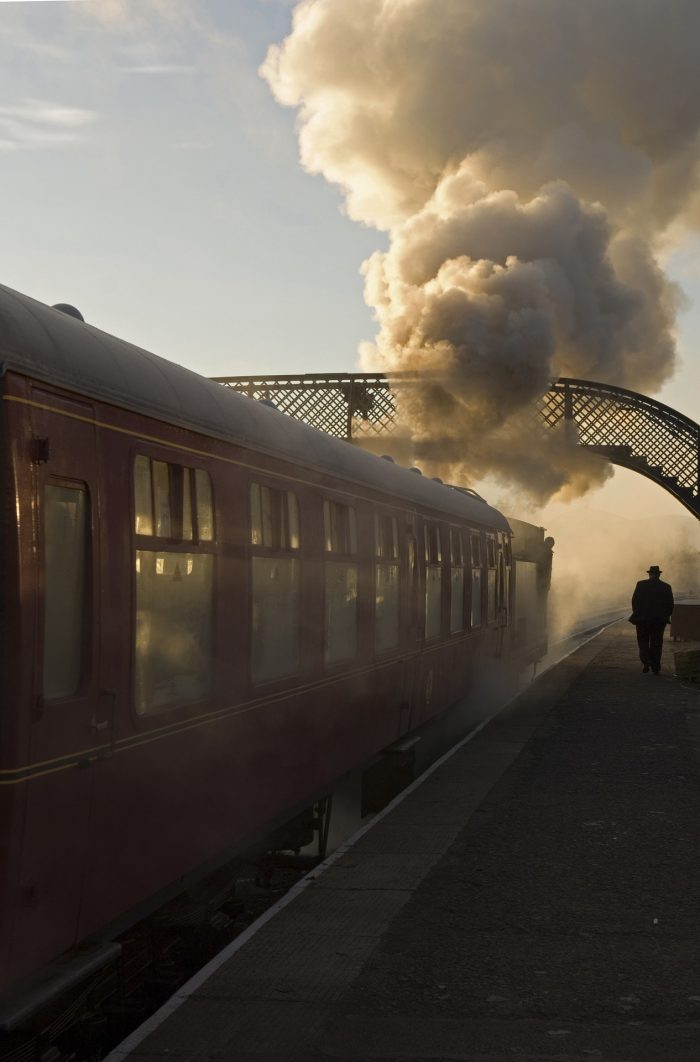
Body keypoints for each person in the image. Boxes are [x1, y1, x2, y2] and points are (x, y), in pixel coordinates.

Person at [631, 565, 674, 674]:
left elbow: (635, 601)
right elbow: (670, 605)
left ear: (649, 574)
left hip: (642, 620)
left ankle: (646, 661)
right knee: (657, 643)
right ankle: (656, 667)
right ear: (659, 574)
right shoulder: (666, 587)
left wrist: (638, 613)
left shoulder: (641, 585)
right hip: (659, 621)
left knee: (643, 641)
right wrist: (666, 616)